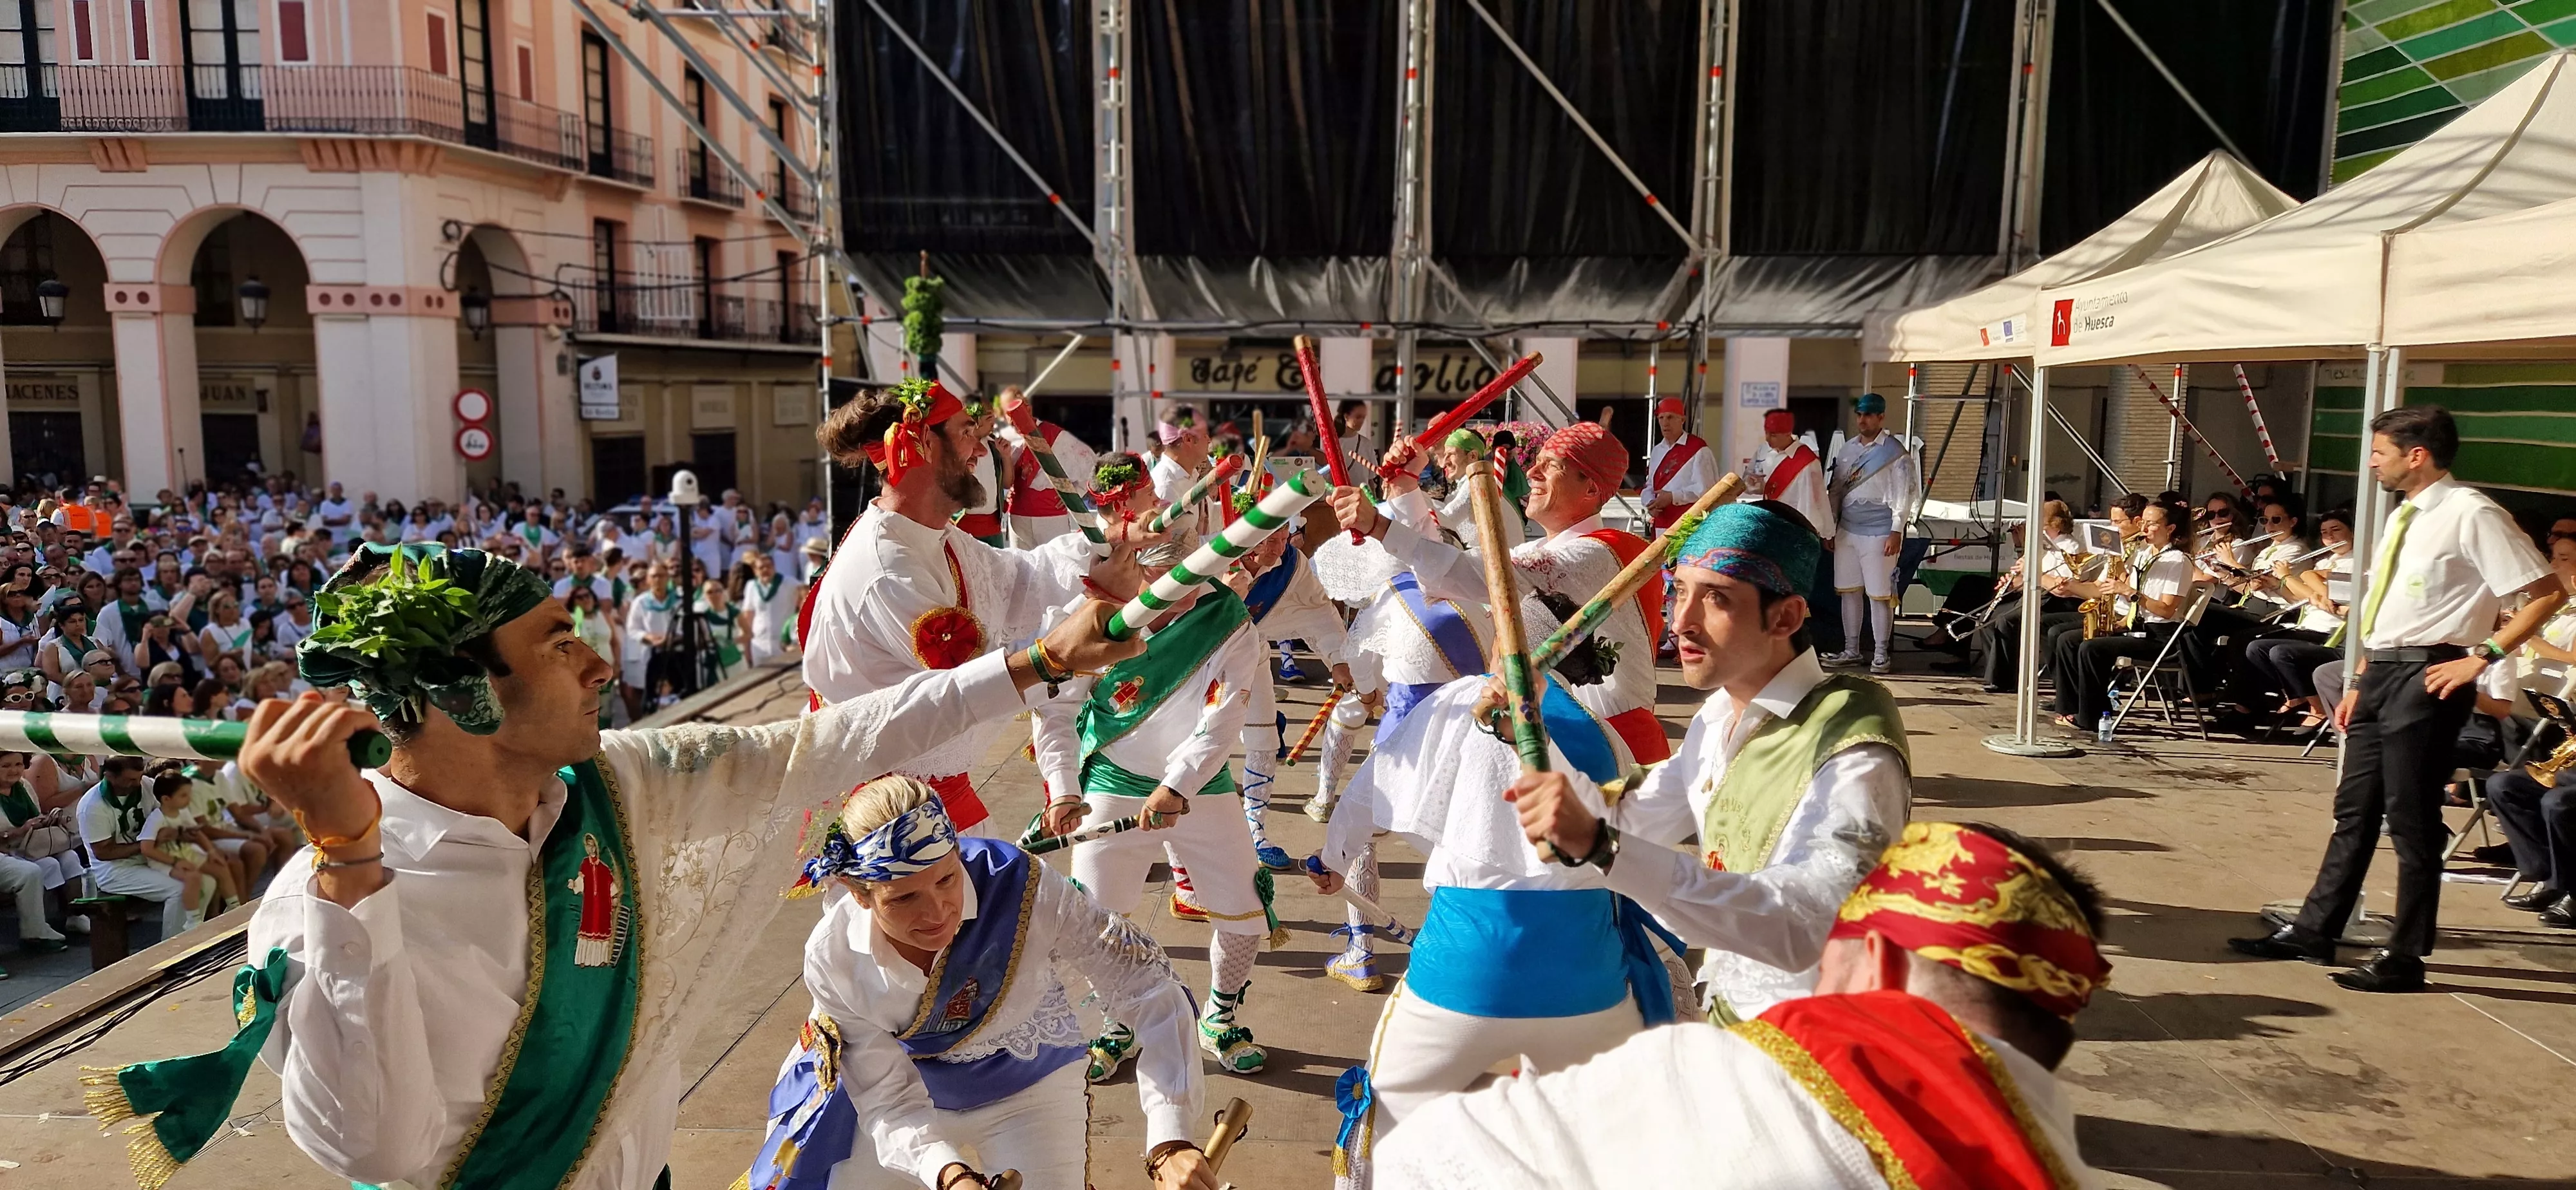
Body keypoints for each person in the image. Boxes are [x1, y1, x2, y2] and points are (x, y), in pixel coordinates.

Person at [84, 541, 1146, 1190]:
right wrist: (350, 863)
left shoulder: (613, 789)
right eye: (557, 642)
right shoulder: (318, 902)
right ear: (461, 696)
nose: (598, 661)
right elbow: (373, 1143)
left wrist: (1038, 662)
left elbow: (825, 743)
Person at [1372, 822, 2116, 1190]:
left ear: (1880, 961)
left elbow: (1428, 1162)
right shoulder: (2065, 1171)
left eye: (1829, 949)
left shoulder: (1721, 1077)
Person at [1311, 592, 1676, 1187]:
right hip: (1589, 983)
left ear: (1506, 641)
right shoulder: (1608, 740)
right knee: (1599, 1154)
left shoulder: (1461, 701)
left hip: (1466, 973)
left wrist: (1331, 859)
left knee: (1386, 1125)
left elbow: (1372, 790)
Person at [1507, 501, 1910, 1024]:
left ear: (1786, 617)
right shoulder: (1720, 715)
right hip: (1730, 1013)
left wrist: (1602, 847)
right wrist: (1526, 728)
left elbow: (1811, 923)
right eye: (1679, 591)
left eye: (1716, 598)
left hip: (1812, 1039)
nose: (1681, 623)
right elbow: (1632, 816)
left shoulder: (1853, 743)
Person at [741, 777, 1217, 1190]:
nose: (936, 913)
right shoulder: (834, 955)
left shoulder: (1021, 887)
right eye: (904, 898)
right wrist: (949, 1174)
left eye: (947, 879)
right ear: (859, 895)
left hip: (1029, 1088)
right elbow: (886, 1098)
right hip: (909, 1095)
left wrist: (1170, 1139)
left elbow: (1144, 981)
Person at [2231, 406, 2562, 992]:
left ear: (2417, 455)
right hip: (2383, 669)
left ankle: (2406, 955)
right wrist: (2361, 678)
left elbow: (2544, 592)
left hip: (2430, 672)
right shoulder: (2405, 515)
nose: (2372, 464)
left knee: (2411, 816)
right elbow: (2391, 609)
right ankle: (2315, 930)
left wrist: (2481, 656)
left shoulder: (2471, 512)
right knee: (2355, 808)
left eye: (2379, 452)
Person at [801, 380, 1110, 836]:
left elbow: (1019, 578)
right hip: (891, 821)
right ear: (924, 444)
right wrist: (1077, 627)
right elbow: (964, 689)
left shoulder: (932, 536)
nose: (980, 450)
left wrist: (1110, 542)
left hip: (933, 799)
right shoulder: (890, 571)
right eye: (967, 432)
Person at [1028, 574, 1274, 1077]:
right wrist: (1064, 787)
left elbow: (1224, 714)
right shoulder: (1084, 612)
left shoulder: (1227, 619)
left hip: (1201, 783)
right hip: (1112, 776)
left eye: (1190, 569)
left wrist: (1179, 786)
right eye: (1156, 571)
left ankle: (1219, 1017)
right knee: (1096, 917)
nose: (1178, 589)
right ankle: (1117, 1020)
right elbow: (1055, 708)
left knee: (1244, 908)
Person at [1334, 420, 1671, 773]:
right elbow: (1452, 573)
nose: (1532, 472)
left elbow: (1469, 574)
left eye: (1552, 466)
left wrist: (1378, 526)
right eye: (1537, 461)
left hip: (1612, 752)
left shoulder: (1598, 554)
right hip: (1561, 737)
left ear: (1590, 488)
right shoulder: (1546, 551)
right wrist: (1405, 487)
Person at [2048, 498, 2198, 731]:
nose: (2144, 528)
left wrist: (2129, 592)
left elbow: (2166, 610)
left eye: (2152, 524)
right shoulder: (2144, 554)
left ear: (2170, 529)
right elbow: (2129, 592)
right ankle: (2069, 708)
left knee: (2091, 649)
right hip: (2136, 627)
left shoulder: (2178, 561)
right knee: (2068, 640)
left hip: (2159, 637)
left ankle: (2091, 716)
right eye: (2143, 522)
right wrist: (2116, 569)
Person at [1821, 393, 1920, 675]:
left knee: (1879, 595)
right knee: (1849, 592)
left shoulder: (1895, 453)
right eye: (1860, 414)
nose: (1862, 420)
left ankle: (1880, 654)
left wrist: (1896, 530)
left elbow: (1903, 496)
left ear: (1881, 417)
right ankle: (1851, 650)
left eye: (1868, 415)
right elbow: (1836, 490)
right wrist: (1830, 526)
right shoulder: (1848, 449)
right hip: (1847, 529)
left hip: (1880, 531)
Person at [1956, 502, 2086, 694]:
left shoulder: (2071, 548)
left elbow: (2060, 585)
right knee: (1987, 619)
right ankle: (1998, 675)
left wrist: (2030, 571)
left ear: (2056, 523)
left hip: (2058, 601)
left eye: (2041, 522)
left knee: (2007, 620)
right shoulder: (2043, 545)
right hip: (2038, 595)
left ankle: (2007, 680)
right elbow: (2030, 578)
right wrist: (2013, 582)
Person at [77, 755, 190, 938]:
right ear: (110, 776)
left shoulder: (146, 785)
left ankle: (204, 934)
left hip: (149, 856)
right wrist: (148, 844)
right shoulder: (92, 806)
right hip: (115, 870)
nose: (137, 783)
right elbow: (103, 853)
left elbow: (169, 812)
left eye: (140, 777)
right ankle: (173, 945)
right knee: (179, 888)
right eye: (130, 779)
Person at [1640, 397, 1713, 533]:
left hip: (1688, 525)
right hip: (1661, 524)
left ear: (1682, 420)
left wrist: (1673, 497)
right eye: (1661, 418)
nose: (1665, 423)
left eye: (1670, 417)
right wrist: (1650, 503)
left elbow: (1707, 490)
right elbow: (1649, 486)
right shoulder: (1657, 451)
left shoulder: (1698, 449)